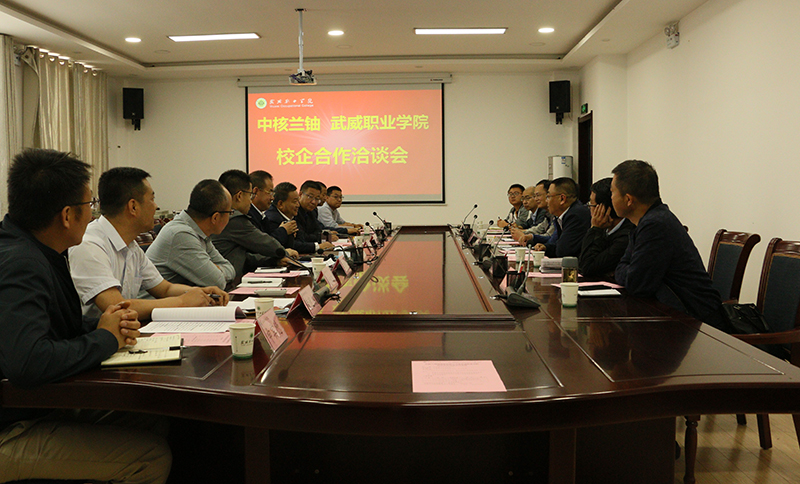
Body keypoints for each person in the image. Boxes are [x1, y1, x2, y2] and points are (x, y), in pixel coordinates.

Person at [0, 149, 171, 483]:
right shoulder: (20, 262)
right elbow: (28, 361)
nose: (94, 214)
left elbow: (53, 326)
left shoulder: (39, 249)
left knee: (151, 420)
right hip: (11, 428)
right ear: (67, 215)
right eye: (90, 205)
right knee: (150, 456)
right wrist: (105, 338)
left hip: (33, 407)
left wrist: (106, 326)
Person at [70, 167, 228, 321]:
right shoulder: (90, 245)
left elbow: (165, 289)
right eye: (152, 199)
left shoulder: (131, 246)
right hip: (95, 335)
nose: (156, 206)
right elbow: (118, 307)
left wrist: (201, 293)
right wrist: (182, 301)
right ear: (133, 207)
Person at [611, 160, 726, 330]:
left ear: (628, 199)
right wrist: (627, 272)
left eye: (612, 192)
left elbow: (637, 284)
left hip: (697, 323)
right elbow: (623, 267)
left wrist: (626, 272)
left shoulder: (655, 225)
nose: (611, 198)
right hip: (677, 315)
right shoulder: (648, 221)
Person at [146, 179, 236, 290]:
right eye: (230, 212)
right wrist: (216, 269)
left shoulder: (198, 231)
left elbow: (230, 269)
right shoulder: (181, 235)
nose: (230, 217)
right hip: (157, 301)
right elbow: (217, 282)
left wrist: (216, 269)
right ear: (215, 217)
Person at [211, 169, 298, 281]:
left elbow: (245, 257)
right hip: (226, 281)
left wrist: (274, 261)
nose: (250, 201)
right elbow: (265, 243)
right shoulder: (235, 220)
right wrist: (285, 252)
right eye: (250, 195)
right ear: (239, 196)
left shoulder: (229, 217)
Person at [578, 177, 635, 279]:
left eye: (591, 205)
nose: (589, 209)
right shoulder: (606, 229)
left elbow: (587, 267)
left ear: (603, 209)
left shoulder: (626, 236)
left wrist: (595, 229)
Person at [265, 181, 334, 254]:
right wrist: (317, 246)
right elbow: (281, 246)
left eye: (297, 201)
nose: (298, 205)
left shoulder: (292, 215)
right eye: (295, 202)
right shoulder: (272, 218)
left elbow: (301, 239)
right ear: (280, 204)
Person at [529, 177, 591, 258]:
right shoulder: (563, 215)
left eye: (548, 196)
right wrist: (546, 248)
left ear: (562, 199)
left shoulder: (576, 215)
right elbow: (557, 244)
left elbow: (563, 250)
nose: (547, 201)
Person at [295, 180, 338, 247]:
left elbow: (317, 230)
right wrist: (320, 238)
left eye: (317, 198)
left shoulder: (313, 210)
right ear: (300, 194)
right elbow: (302, 237)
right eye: (310, 197)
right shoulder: (294, 210)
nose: (313, 202)